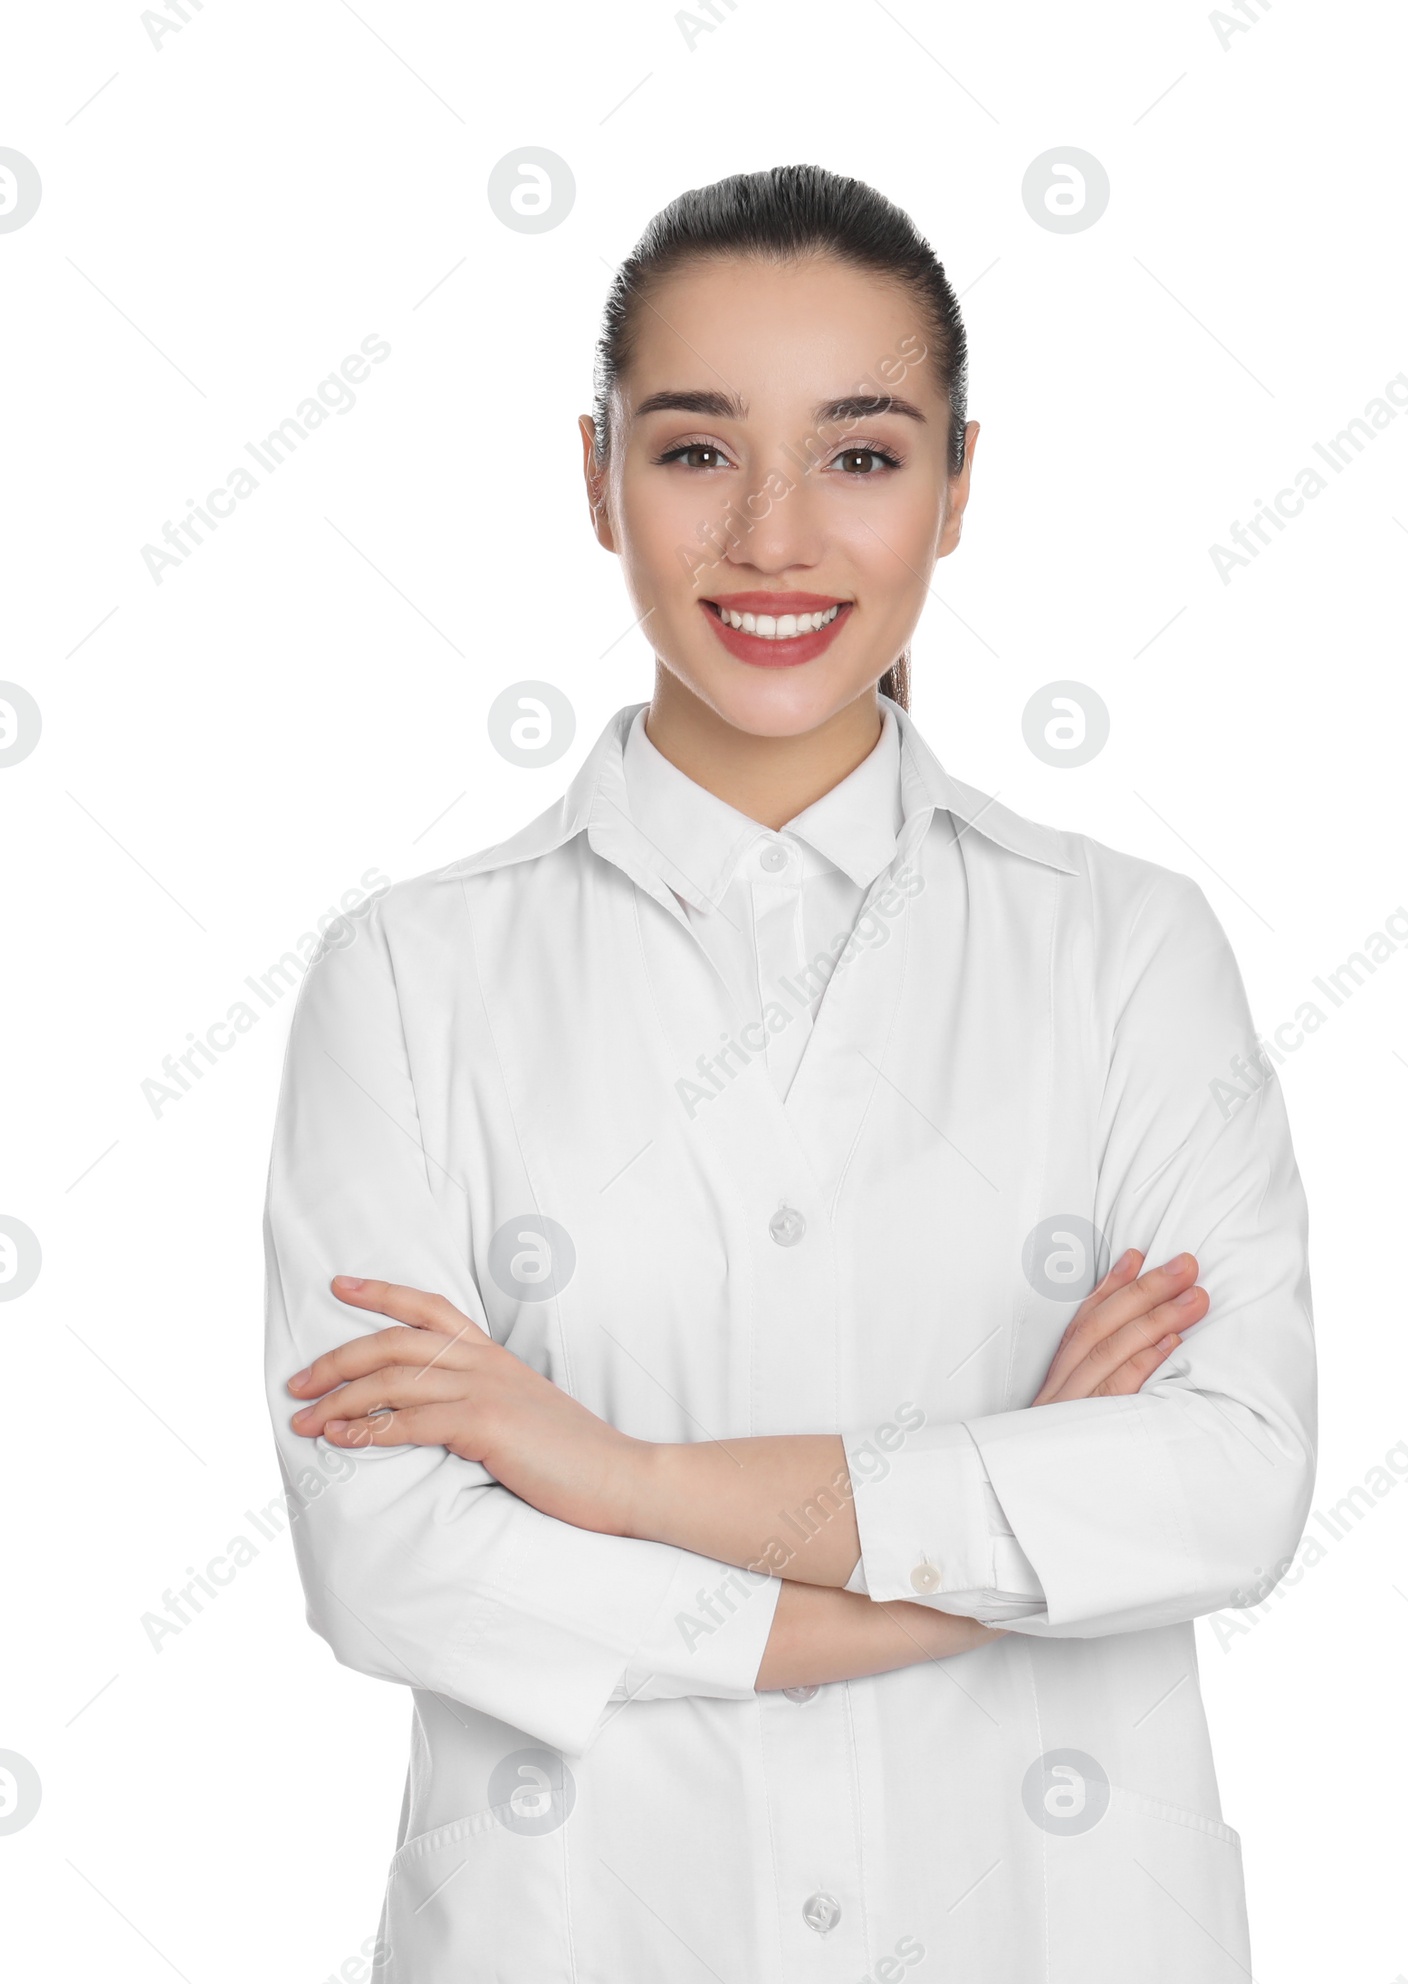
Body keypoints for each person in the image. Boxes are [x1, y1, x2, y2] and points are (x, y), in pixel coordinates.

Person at [263, 163, 1316, 1981]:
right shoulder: (407, 979)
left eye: (860, 453)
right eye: (692, 452)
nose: (772, 538)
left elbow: (1226, 1484)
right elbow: (391, 1561)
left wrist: (606, 1476)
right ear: (594, 477)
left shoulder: (1128, 950)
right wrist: (981, 1565)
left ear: (959, 486)